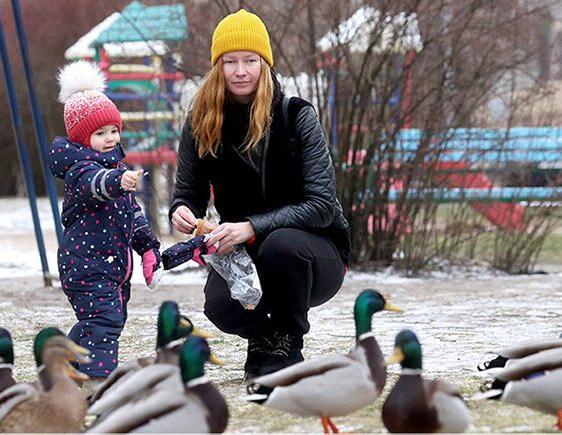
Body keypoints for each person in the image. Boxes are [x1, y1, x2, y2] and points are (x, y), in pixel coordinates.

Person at [169, 9, 350, 380]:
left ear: (264, 64)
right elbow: (188, 190)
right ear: (217, 66)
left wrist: (252, 227)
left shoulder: (296, 116)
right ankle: (265, 340)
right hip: (243, 251)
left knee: (280, 244)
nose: (240, 71)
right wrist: (182, 209)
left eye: (250, 61)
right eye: (230, 61)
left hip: (315, 254)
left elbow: (321, 205)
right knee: (219, 306)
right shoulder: (201, 119)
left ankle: (288, 340)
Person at [49, 61, 162, 388]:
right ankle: (96, 381)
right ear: (83, 139)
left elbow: (132, 215)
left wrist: (148, 248)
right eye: (100, 133)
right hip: (86, 265)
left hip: (111, 266)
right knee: (104, 319)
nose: (111, 138)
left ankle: (69, 369)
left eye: (114, 130)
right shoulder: (80, 171)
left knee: (106, 321)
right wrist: (117, 181)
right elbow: (96, 184)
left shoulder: (117, 167)